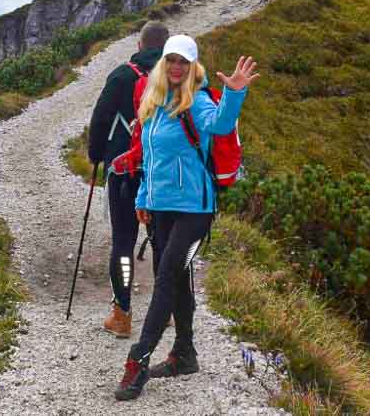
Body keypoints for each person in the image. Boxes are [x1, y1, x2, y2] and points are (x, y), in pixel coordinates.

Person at [113, 35, 260, 401]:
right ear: (164, 63)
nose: (177, 67)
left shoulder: (195, 102)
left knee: (165, 279)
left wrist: (235, 93)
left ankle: (138, 361)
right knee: (177, 279)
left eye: (184, 62)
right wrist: (143, 199)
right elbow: (149, 160)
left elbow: (222, 125)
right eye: (172, 60)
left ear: (194, 67)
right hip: (160, 209)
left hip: (195, 210)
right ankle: (185, 354)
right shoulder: (154, 102)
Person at [88, 20, 169, 338]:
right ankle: (168, 310)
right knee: (163, 240)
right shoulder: (177, 77)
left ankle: (122, 316)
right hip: (161, 174)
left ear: (140, 46)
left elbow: (100, 118)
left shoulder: (123, 76)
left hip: (124, 172)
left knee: (123, 242)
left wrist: (96, 156)